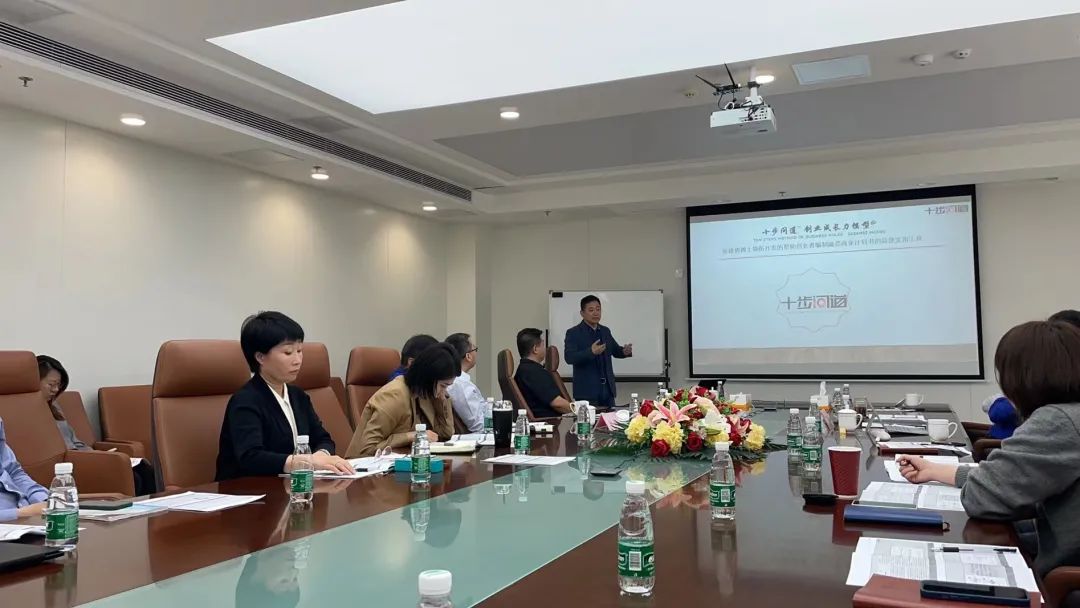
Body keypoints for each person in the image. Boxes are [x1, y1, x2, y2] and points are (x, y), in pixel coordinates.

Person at [899, 320, 1080, 577]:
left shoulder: (1059, 421)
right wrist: (935, 470)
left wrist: (979, 482)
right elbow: (1009, 481)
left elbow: (981, 498)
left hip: (1061, 579)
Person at [216, 311, 353, 481]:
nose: (298, 360)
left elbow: (323, 438)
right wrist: (305, 462)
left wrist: (322, 455)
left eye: (300, 350)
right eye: (288, 352)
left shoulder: (298, 396)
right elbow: (250, 457)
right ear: (260, 357)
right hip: (247, 490)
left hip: (293, 486)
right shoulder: (245, 400)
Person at [37, 355, 157, 495]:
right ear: (35, 382)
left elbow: (75, 441)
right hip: (63, 466)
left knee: (144, 469)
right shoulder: (28, 413)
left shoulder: (54, 406)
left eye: (58, 385)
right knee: (133, 478)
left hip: (80, 458)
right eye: (51, 384)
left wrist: (96, 455)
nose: (56, 389)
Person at [345, 343, 458, 457]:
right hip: (366, 465)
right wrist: (411, 436)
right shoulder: (394, 395)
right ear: (428, 378)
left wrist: (442, 402)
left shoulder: (424, 393)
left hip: (404, 462)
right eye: (443, 386)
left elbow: (445, 434)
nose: (443, 392)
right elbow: (367, 449)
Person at [563, 295, 632, 408]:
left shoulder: (605, 331)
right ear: (582, 313)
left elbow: (615, 351)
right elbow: (569, 357)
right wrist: (591, 352)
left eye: (598, 309)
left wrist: (624, 351)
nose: (596, 313)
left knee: (610, 419)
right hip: (587, 392)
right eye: (591, 310)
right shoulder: (573, 333)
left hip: (608, 391)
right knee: (589, 420)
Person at [514, 328, 573, 418]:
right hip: (549, 422)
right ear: (535, 349)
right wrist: (582, 410)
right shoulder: (535, 372)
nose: (545, 348)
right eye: (542, 344)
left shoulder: (523, 369)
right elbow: (558, 404)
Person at [0, 418, 47, 521]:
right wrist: (21, 513)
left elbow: (15, 473)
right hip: (9, 521)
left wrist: (43, 499)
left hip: (27, 517)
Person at [444, 333, 486, 433]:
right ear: (468, 356)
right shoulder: (461, 385)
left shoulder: (459, 381)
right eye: (475, 349)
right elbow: (478, 425)